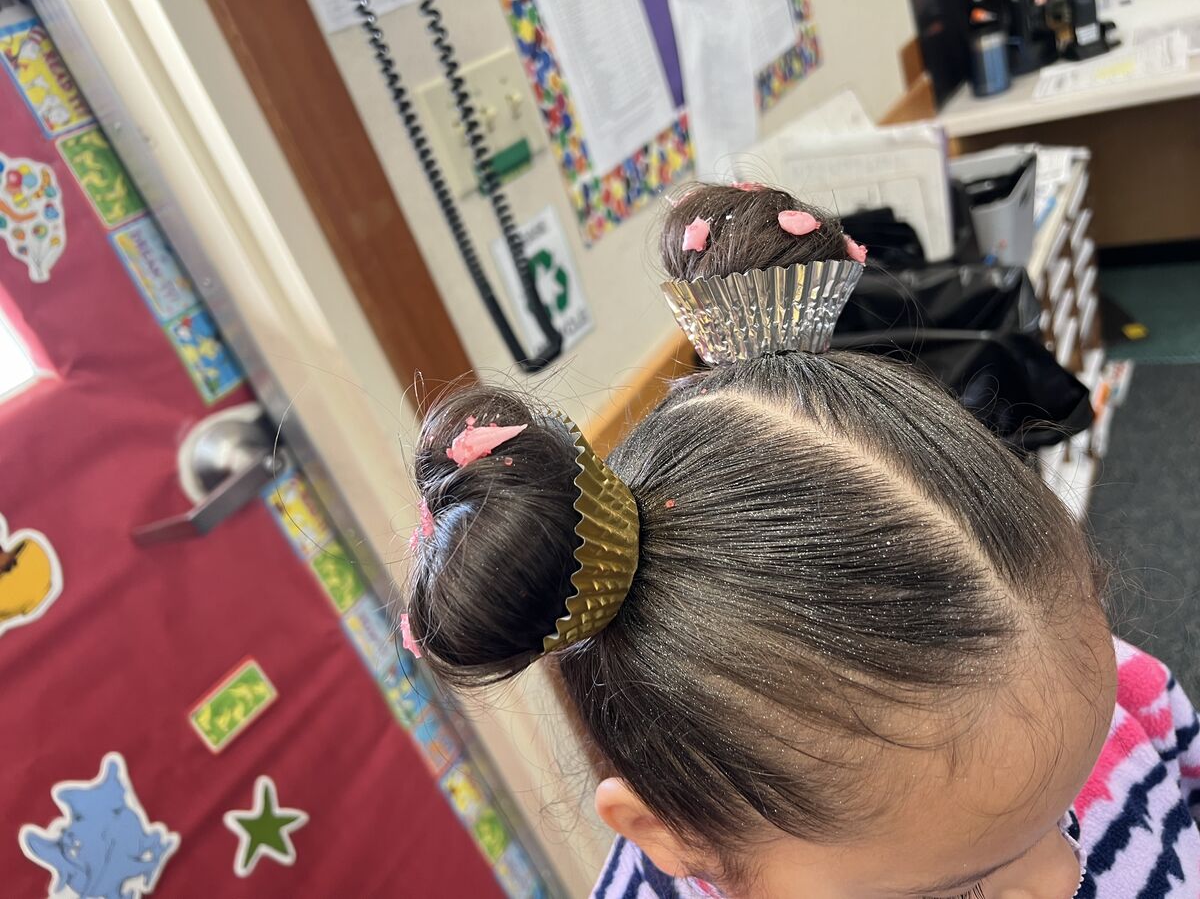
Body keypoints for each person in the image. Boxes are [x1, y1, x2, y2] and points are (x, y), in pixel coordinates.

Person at [402, 184, 1200, 898]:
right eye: (953, 896)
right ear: (678, 840)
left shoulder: (1089, 692)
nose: (1062, 879)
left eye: (1061, 810)